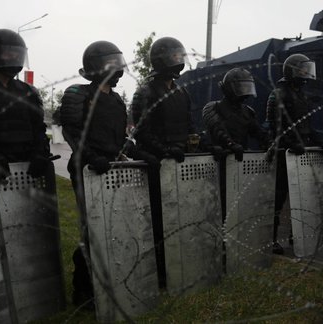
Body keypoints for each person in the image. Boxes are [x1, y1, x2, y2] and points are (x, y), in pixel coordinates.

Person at [58, 40, 156, 309]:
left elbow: (118, 138)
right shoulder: (78, 94)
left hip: (113, 171)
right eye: (109, 63)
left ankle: (111, 283)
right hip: (88, 171)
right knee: (91, 232)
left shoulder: (115, 100)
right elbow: (72, 133)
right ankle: (83, 289)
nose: (115, 68)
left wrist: (136, 151)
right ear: (94, 67)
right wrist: (91, 157)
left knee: (114, 228)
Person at [130, 36, 195, 288]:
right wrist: (165, 150)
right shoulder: (145, 92)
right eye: (174, 56)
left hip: (181, 162)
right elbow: (142, 132)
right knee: (158, 219)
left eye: (181, 56)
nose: (178, 61)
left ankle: (180, 263)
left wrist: (194, 144)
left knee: (182, 214)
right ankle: (159, 271)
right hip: (158, 164)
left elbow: (189, 124)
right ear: (162, 59)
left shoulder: (182, 91)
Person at [0, 29, 50, 187]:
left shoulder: (29, 91)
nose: (14, 58)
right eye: (8, 54)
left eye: (17, 54)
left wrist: (41, 153)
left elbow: (39, 129)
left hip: (26, 171)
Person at [265, 53, 317, 254]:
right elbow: (275, 126)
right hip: (283, 151)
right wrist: (289, 143)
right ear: (293, 70)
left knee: (300, 195)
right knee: (278, 197)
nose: (306, 73)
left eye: (307, 69)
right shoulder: (279, 93)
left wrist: (317, 141)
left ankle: (296, 235)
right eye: (303, 69)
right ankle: (271, 239)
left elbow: (307, 124)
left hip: (300, 151)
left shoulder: (302, 95)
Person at [202, 67, 269, 159]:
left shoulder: (247, 111)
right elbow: (218, 129)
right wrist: (231, 144)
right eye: (241, 88)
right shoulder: (213, 107)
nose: (244, 93)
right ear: (229, 88)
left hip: (239, 159)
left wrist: (270, 143)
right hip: (219, 159)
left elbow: (258, 132)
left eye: (246, 88)